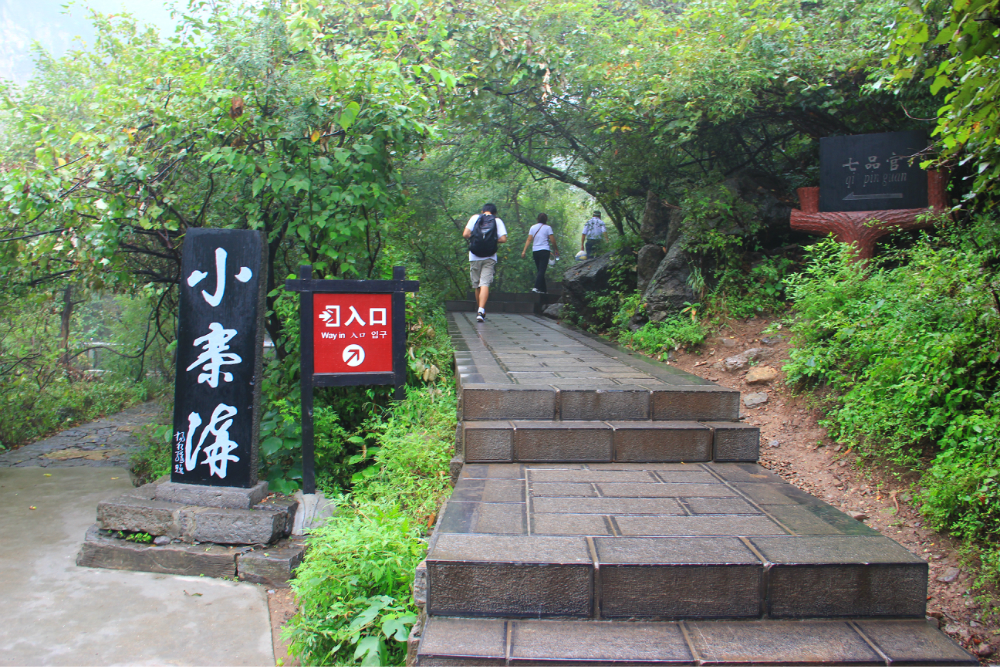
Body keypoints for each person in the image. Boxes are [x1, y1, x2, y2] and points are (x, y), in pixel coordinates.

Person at [463, 203, 508, 322]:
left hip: (474, 256)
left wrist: (476, 238)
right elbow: (503, 239)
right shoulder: (497, 221)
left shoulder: (475, 218)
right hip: (490, 256)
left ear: (482, 211)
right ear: (494, 212)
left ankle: (480, 310)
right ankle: (481, 310)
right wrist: (491, 240)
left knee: (477, 285)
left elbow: (465, 234)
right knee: (485, 283)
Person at [521, 213, 559, 293]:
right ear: (546, 220)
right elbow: (552, 240)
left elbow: (529, 239)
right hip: (544, 251)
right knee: (542, 270)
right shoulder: (548, 228)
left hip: (535, 251)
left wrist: (524, 251)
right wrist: (556, 249)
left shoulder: (533, 227)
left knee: (540, 270)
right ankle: (536, 287)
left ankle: (544, 290)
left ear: (538, 219)